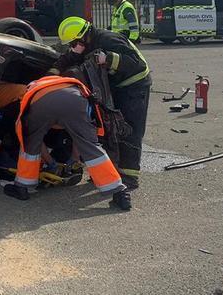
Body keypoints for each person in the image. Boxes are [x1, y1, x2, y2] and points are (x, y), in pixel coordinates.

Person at [53, 16, 150, 201]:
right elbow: (66, 60)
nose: (73, 46)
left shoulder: (109, 39)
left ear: (84, 36)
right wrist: (55, 70)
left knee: (129, 128)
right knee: (112, 129)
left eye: (75, 42)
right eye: (71, 43)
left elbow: (137, 64)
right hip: (117, 87)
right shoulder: (86, 43)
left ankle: (129, 177)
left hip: (136, 85)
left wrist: (110, 59)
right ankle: (109, 172)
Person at [0, 75, 129, 209]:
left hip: (41, 102)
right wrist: (74, 159)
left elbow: (35, 141)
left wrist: (50, 163)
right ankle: (120, 192)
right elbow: (81, 136)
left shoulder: (31, 90)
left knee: (31, 143)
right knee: (91, 146)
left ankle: (22, 188)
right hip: (76, 101)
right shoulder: (70, 85)